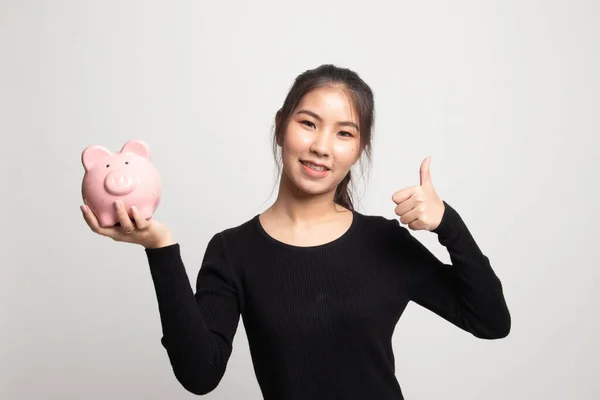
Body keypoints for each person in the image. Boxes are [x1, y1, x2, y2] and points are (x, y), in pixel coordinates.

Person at [80, 64, 511, 399]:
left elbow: (490, 321)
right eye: (308, 123)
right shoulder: (233, 251)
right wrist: (160, 250)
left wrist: (447, 224)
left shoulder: (385, 242)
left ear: (357, 150)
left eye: (344, 133)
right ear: (281, 126)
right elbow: (200, 374)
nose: (322, 146)